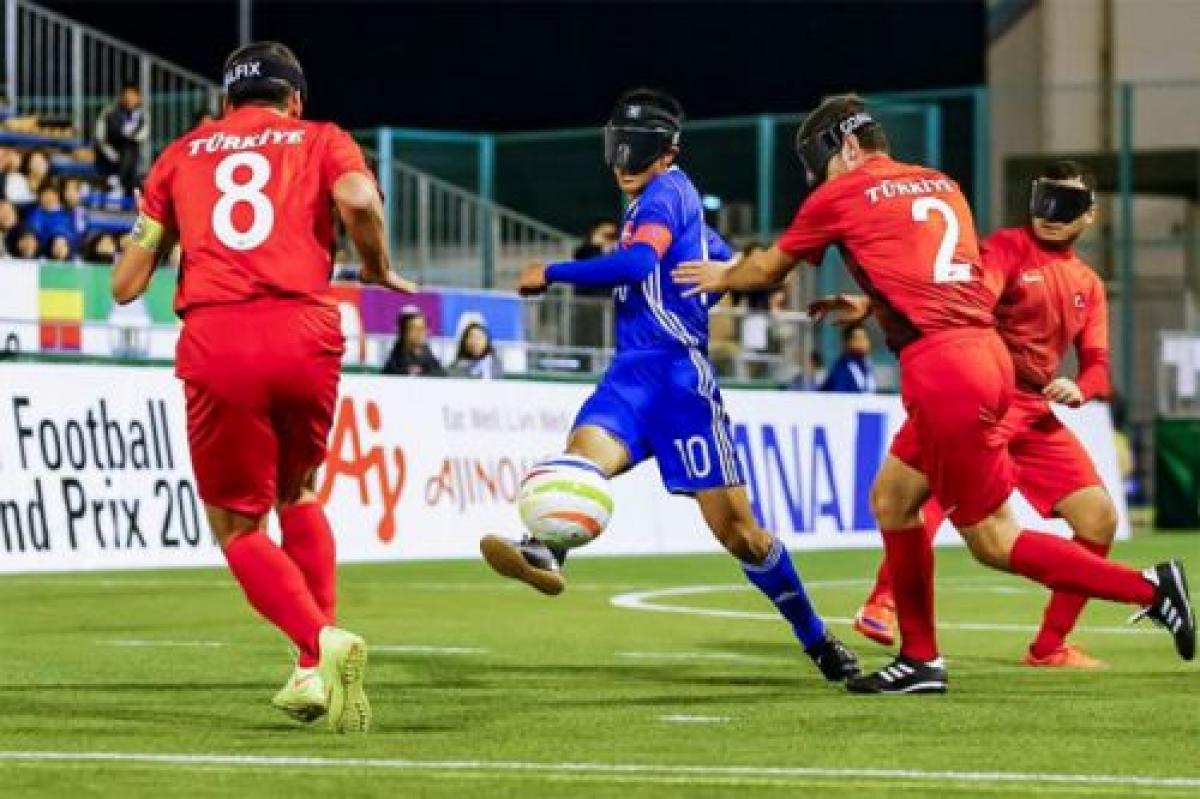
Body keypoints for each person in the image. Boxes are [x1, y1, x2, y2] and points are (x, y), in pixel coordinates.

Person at [673, 93, 1193, 694]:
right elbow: (946, 278)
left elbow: (767, 271)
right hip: (982, 358)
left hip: (945, 371)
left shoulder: (839, 194)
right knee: (893, 499)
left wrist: (721, 275)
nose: (822, 180)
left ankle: (1152, 590)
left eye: (823, 165)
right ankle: (919, 658)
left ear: (846, 145)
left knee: (995, 540)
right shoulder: (941, 184)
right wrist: (872, 305)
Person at [480, 88, 860, 683]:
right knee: (580, 455)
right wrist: (719, 278)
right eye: (617, 148)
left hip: (681, 382)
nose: (622, 162)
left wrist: (550, 272)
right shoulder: (671, 201)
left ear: (667, 153)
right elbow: (721, 256)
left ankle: (817, 638)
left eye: (636, 151)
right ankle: (543, 547)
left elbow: (635, 267)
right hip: (632, 373)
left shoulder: (666, 193)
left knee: (742, 536)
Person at [111, 41, 415, 732]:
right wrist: (375, 263)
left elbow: (125, 287)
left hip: (220, 336)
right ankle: (311, 668)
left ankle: (318, 644)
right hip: (307, 332)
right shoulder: (321, 138)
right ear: (295, 99)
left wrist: (150, 229)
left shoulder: (181, 154)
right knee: (298, 491)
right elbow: (361, 196)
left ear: (227, 101)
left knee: (239, 526)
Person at [851, 160, 1126, 669]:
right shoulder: (1003, 249)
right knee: (926, 490)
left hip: (1036, 414)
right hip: (985, 396)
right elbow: (970, 299)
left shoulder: (1088, 283)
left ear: (1090, 215)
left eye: (1064, 205)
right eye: (1042, 198)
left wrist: (1080, 388)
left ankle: (1049, 647)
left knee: (1099, 520)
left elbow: (1100, 367)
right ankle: (882, 603)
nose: (1048, 214)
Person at [94, 82, 148, 196]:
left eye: (133, 96)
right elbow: (100, 138)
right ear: (121, 97)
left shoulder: (142, 114)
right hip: (108, 154)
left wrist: (128, 136)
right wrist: (113, 155)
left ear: (139, 98)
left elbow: (142, 135)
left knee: (130, 149)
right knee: (129, 153)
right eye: (127, 96)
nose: (130, 99)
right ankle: (121, 184)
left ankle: (121, 183)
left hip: (129, 156)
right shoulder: (109, 112)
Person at [382, 307, 445, 376]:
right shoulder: (395, 362)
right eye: (414, 329)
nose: (420, 333)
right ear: (403, 332)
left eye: (423, 328)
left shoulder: (428, 355)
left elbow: (442, 375)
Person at [820, 322, 876, 393]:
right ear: (847, 342)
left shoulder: (867, 366)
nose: (862, 342)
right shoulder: (841, 370)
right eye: (857, 338)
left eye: (864, 338)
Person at [24, 183, 74, 248]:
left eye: (52, 194)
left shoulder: (67, 213)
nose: (49, 198)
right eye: (45, 194)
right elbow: (34, 233)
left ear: (58, 196)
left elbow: (73, 236)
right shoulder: (33, 214)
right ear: (39, 197)